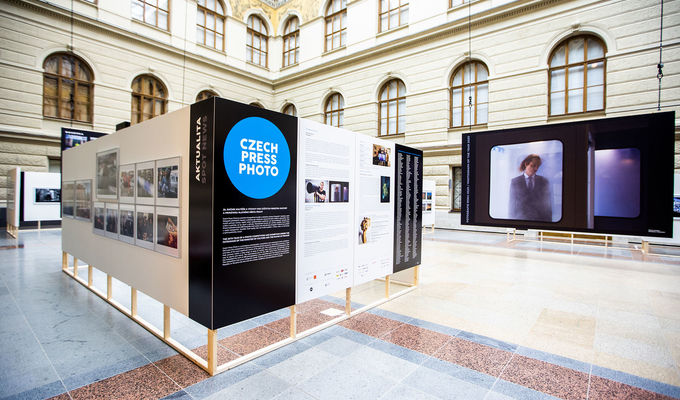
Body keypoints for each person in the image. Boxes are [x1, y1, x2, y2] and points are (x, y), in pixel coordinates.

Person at [509, 154, 552, 222]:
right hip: (520, 220)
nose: (536, 169)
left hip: (540, 221)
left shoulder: (544, 181)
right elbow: (512, 204)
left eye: (538, 166)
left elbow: (548, 205)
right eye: (533, 165)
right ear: (526, 164)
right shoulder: (515, 181)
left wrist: (549, 224)